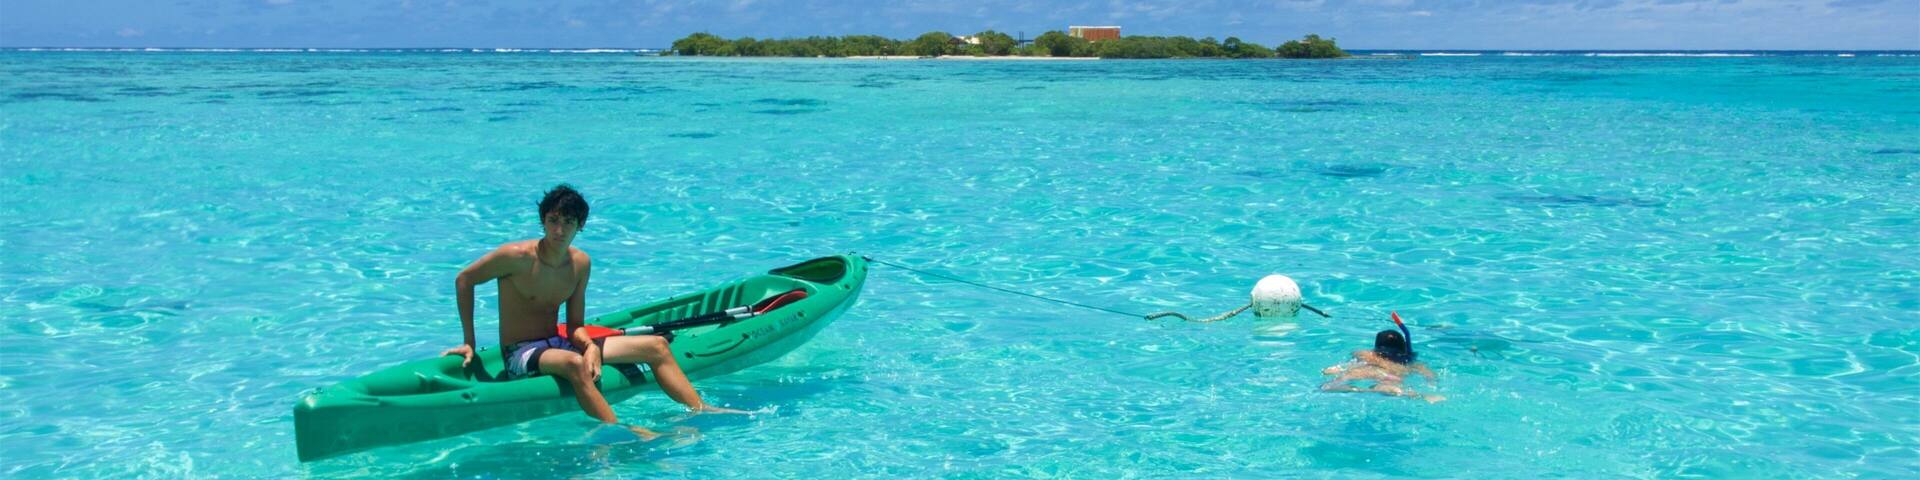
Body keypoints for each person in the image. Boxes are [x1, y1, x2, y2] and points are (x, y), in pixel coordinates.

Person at [440, 184, 742, 439]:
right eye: (553, 220)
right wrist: (469, 340)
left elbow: (574, 325)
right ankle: (622, 430)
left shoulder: (580, 264)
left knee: (657, 346)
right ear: (542, 221)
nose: (559, 229)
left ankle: (700, 410)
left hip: (558, 341)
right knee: (575, 364)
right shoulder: (516, 257)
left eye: (568, 222)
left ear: (580, 226)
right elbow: (464, 280)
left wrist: (590, 348)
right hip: (520, 353)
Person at [1320, 312, 1444, 403]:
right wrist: (1431, 386)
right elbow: (1430, 375)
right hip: (1393, 376)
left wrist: (1339, 369)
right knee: (1388, 387)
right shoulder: (1413, 363)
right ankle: (1420, 396)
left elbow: (1352, 363)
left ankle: (1347, 387)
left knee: (1346, 376)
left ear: (1376, 346)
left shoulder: (1366, 354)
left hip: (1369, 371)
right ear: (1404, 347)